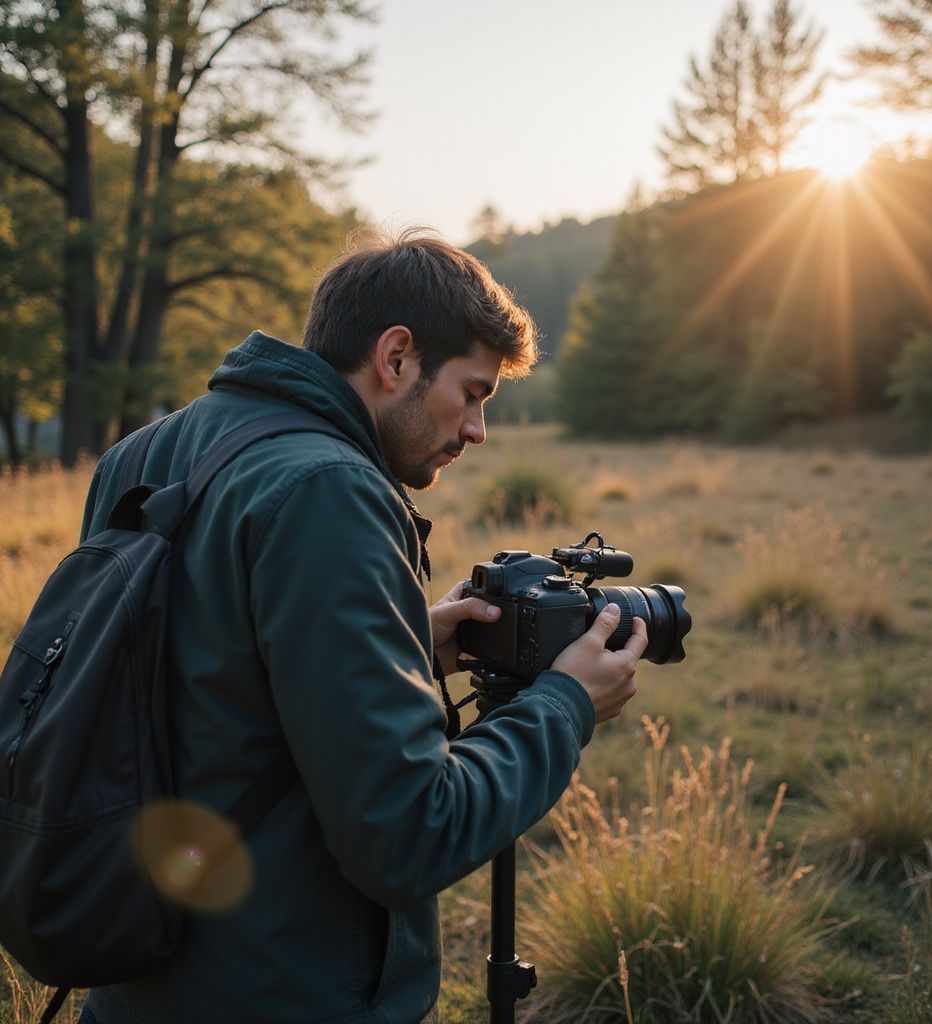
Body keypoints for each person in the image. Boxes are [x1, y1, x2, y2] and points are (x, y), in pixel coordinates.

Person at [76, 227, 646, 1024]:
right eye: (475, 393)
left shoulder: (139, 456)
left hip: (132, 968)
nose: (478, 431)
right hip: (282, 992)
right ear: (397, 357)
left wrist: (407, 636)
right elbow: (409, 834)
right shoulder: (330, 489)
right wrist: (565, 703)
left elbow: (191, 684)